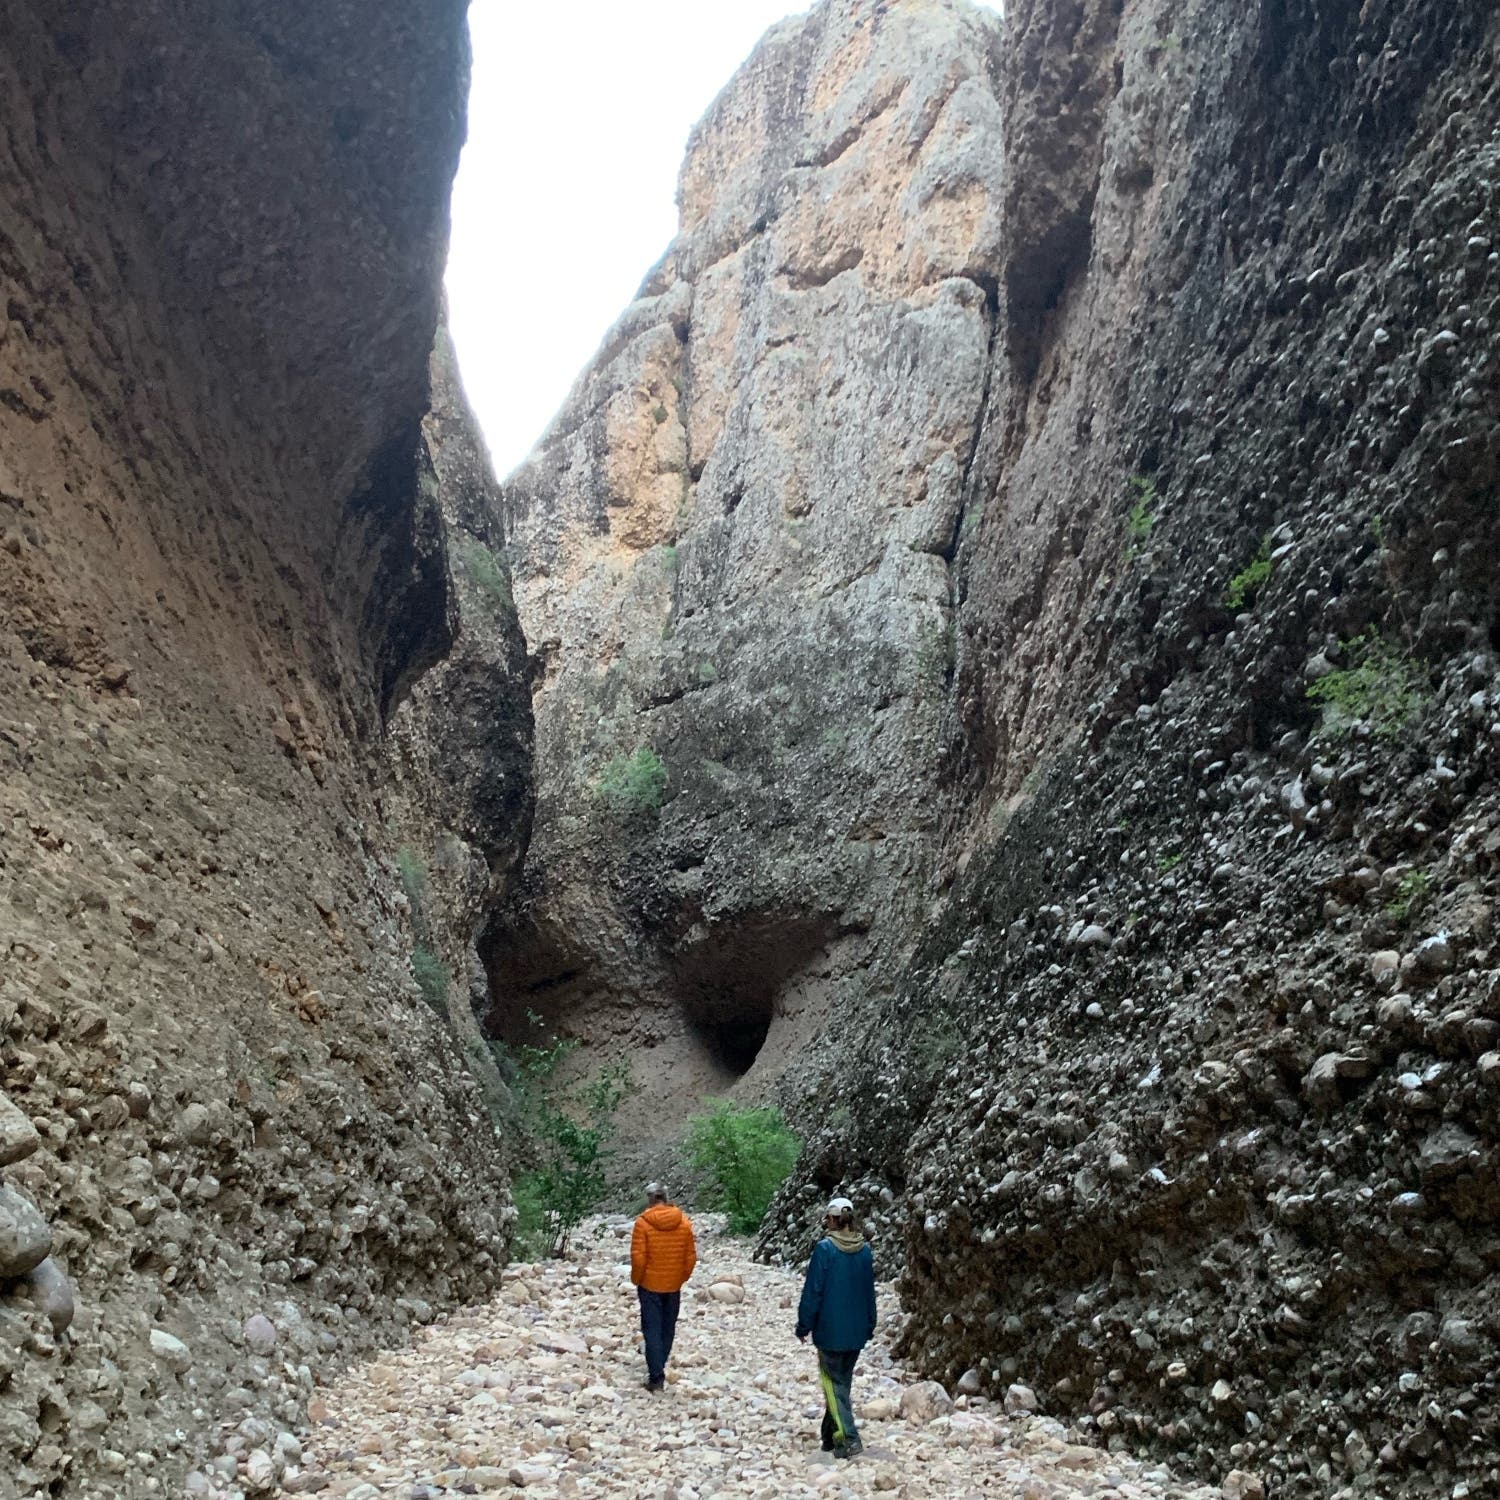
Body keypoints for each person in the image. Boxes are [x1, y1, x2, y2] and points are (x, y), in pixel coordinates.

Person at [795, 1196, 876, 1460]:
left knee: (833, 1385)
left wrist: (803, 1324)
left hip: (830, 1331)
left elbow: (813, 1291)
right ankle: (829, 1437)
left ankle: (849, 1439)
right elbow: (868, 1292)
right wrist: (870, 1323)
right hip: (856, 1331)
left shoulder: (825, 1249)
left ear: (830, 1219)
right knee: (842, 1384)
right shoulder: (864, 1250)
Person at [630, 1182, 697, 1391]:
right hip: (673, 1286)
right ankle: (660, 1363)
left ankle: (656, 1375)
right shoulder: (684, 1223)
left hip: (650, 1285)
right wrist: (680, 1278)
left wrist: (637, 1279)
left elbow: (638, 1258)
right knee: (668, 1328)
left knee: (652, 1330)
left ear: (649, 1199)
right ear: (666, 1198)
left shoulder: (643, 1224)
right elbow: (690, 1258)